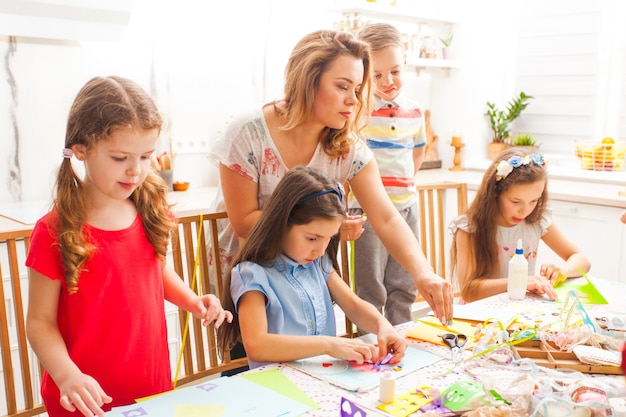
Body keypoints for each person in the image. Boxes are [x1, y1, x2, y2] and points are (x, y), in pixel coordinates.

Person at [208, 29, 453, 326]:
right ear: (307, 81)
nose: (353, 101)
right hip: (250, 286)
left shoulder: (348, 149)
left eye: (357, 89)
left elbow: (386, 218)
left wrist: (423, 273)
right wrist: (332, 227)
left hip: (308, 287)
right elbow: (244, 220)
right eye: (342, 86)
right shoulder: (248, 133)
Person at [25, 76, 233, 417]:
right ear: (81, 149)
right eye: (120, 157)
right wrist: (67, 376)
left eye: (147, 156)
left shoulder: (150, 209)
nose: (136, 170)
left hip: (151, 390)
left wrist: (193, 300)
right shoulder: (53, 230)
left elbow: (156, 270)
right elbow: (39, 323)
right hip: (84, 400)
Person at [216, 166, 407, 369]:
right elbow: (257, 344)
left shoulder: (317, 264)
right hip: (279, 386)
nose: (320, 250)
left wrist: (383, 327)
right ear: (282, 223)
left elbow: (353, 304)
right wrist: (329, 345)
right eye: (312, 238)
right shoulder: (251, 274)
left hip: (323, 378)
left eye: (329, 239)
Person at [347, 22, 426, 326]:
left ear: (404, 64)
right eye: (377, 75)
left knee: (404, 282)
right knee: (371, 286)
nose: (388, 81)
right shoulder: (359, 111)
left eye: (395, 71)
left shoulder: (414, 110)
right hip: (368, 210)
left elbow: (418, 149)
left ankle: (402, 334)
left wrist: (405, 183)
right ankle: (372, 339)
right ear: (365, 75)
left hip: (407, 207)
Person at [449, 148, 591, 303]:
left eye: (534, 200)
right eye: (515, 202)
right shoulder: (470, 227)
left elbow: (581, 259)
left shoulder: (536, 219)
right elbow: (469, 291)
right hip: (479, 315)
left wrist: (563, 271)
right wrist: (518, 283)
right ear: (495, 193)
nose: (525, 211)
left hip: (521, 312)